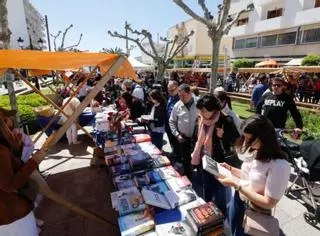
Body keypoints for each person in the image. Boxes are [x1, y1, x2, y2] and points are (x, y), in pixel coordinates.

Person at [218, 114, 291, 235]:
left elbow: (269, 203)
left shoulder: (279, 166)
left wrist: (236, 185)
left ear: (264, 137)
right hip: (238, 201)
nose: (246, 142)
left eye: (249, 139)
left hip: (254, 211)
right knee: (233, 231)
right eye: (245, 137)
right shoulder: (258, 152)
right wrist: (230, 169)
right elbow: (249, 176)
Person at [191, 94, 240, 216]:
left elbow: (236, 140)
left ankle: (221, 216)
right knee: (206, 187)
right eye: (200, 110)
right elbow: (195, 137)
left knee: (220, 192)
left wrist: (224, 136)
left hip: (219, 163)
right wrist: (193, 154)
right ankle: (208, 212)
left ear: (213, 110)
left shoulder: (225, 120)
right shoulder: (201, 118)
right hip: (203, 160)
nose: (201, 113)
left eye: (204, 110)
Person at [0, 113, 46, 236]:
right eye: (5, 119)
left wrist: (17, 150)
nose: (9, 121)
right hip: (11, 215)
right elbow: (9, 185)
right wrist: (34, 161)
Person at [169, 84, 199, 179]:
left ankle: (199, 175)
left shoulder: (199, 103)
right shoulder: (177, 105)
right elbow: (172, 121)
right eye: (179, 96)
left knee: (198, 159)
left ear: (190, 93)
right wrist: (177, 135)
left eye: (183, 95)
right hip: (183, 138)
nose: (181, 98)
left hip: (198, 139)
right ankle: (188, 178)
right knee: (186, 160)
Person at [165, 80, 180, 159]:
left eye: (172, 90)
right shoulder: (171, 96)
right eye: (168, 90)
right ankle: (174, 153)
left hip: (175, 126)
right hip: (168, 124)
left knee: (176, 143)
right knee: (172, 142)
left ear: (177, 88)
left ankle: (178, 158)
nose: (170, 92)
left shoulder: (181, 98)